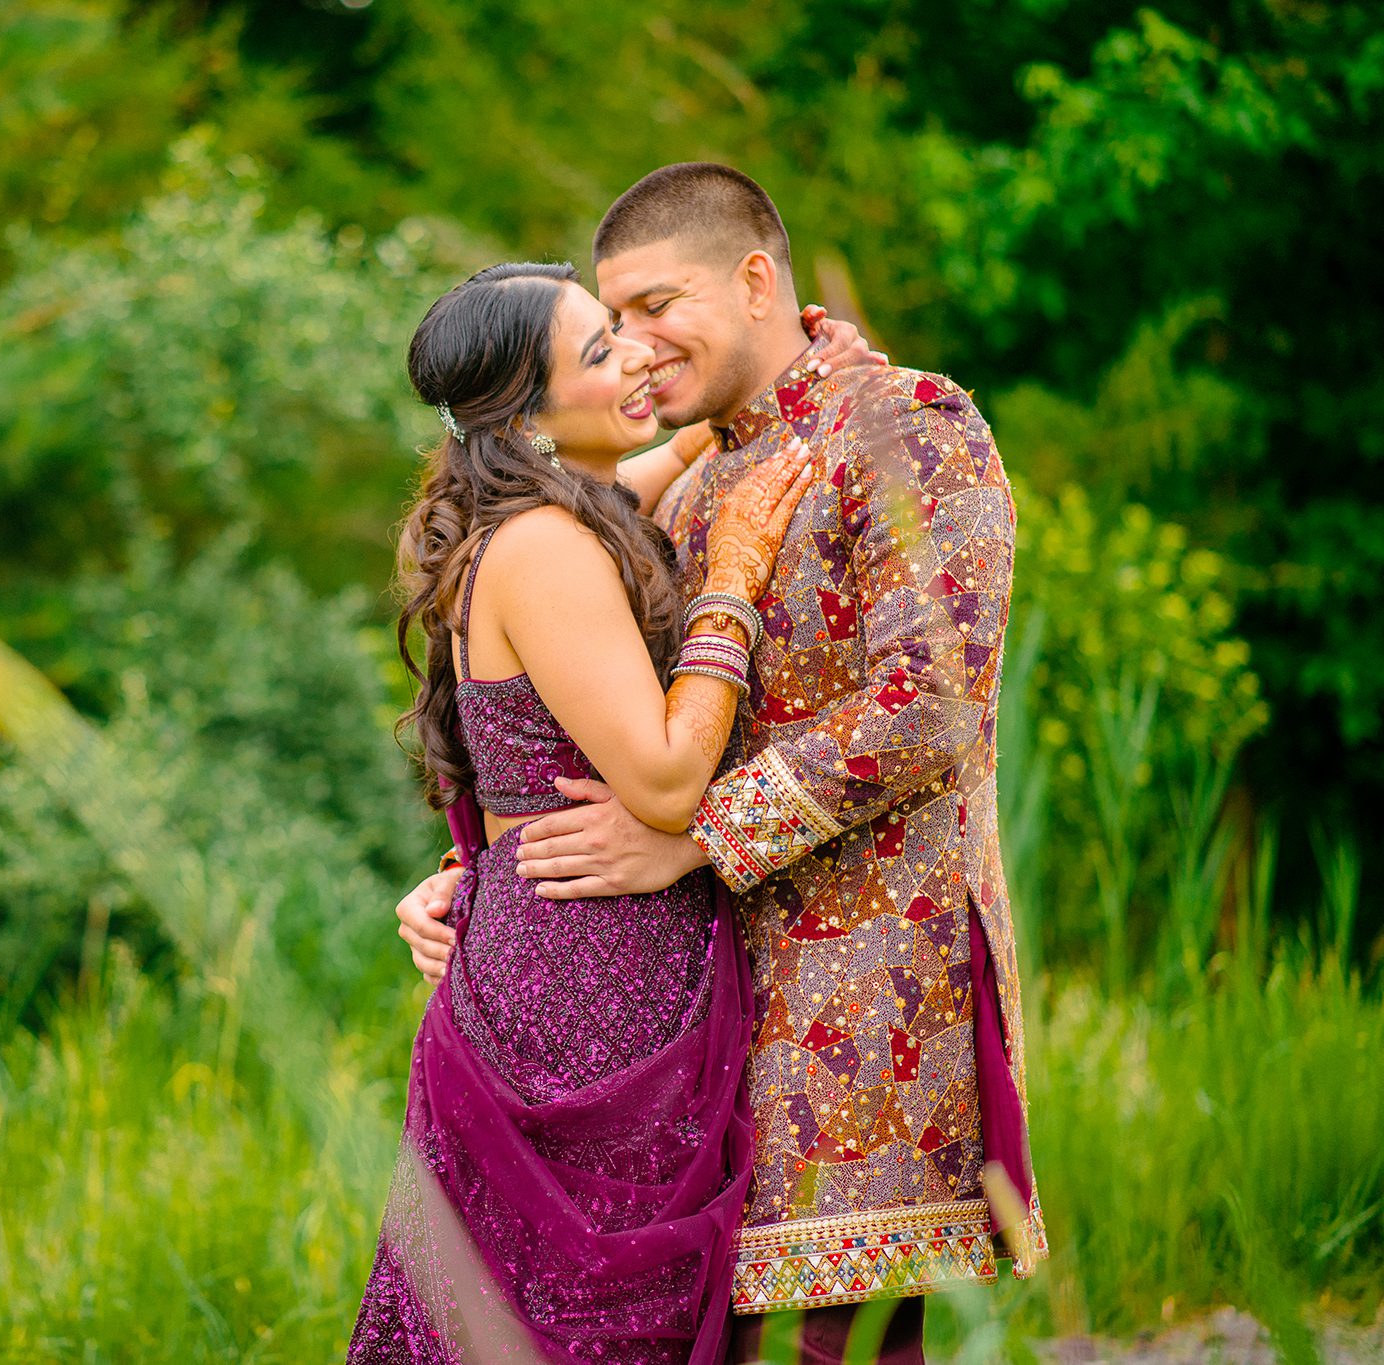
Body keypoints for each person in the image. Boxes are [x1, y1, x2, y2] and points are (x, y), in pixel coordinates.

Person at [393, 164, 1044, 1365]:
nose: (634, 348)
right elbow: (577, 704)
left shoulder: (907, 424)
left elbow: (926, 706)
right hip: (678, 1028)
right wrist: (474, 871)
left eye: (651, 308)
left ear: (754, 280)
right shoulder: (679, 474)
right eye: (610, 325)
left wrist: (694, 835)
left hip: (851, 996)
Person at [348, 258, 830, 1363]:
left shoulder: (570, 510)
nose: (635, 357)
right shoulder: (546, 548)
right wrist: (731, 587)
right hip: (581, 991)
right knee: (576, 1314)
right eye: (602, 349)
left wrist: (786, 368)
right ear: (527, 415)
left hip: (582, 951)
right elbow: (663, 783)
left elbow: (663, 455)